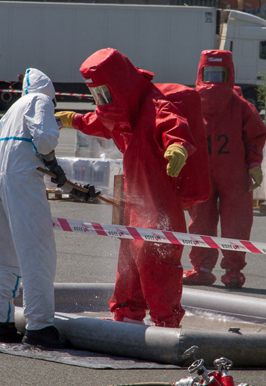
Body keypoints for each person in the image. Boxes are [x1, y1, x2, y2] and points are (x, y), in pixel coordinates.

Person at [55, 49, 197, 328]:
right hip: (135, 199)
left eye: (104, 94)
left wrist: (177, 147)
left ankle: (166, 321)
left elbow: (174, 125)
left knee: (156, 258)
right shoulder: (124, 107)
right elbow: (103, 123)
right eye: (98, 95)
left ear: (118, 85)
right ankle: (126, 313)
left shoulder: (155, 105)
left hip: (159, 201)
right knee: (130, 257)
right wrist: (74, 119)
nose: (102, 102)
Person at [0, 68, 70, 349]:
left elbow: (14, 149)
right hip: (21, 182)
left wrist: (49, 167)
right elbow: (44, 139)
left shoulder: (11, 111)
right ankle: (39, 326)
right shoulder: (40, 100)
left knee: (4, 256)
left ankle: (2, 324)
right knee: (37, 252)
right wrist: (53, 163)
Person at [182, 50, 266, 289]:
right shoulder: (242, 106)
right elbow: (256, 135)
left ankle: (201, 268)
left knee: (201, 221)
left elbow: (177, 132)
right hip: (235, 173)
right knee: (237, 222)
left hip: (201, 171)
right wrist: (253, 164)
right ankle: (233, 271)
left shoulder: (189, 103)